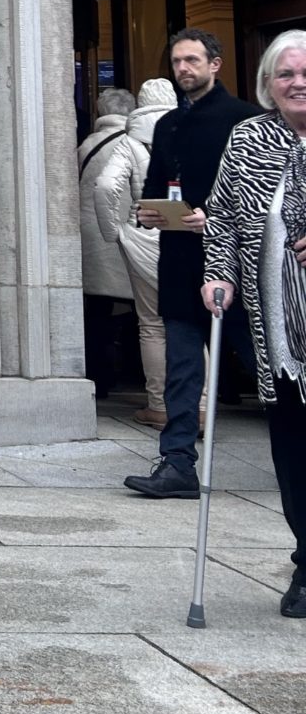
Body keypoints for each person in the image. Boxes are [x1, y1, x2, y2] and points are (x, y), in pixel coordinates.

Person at [123, 29, 255, 500]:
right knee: (182, 369)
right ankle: (177, 462)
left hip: (237, 267)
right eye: (177, 61)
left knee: (266, 363)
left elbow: (261, 200)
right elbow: (158, 185)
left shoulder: (246, 121)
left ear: (215, 64)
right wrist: (151, 211)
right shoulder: (166, 125)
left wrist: (214, 219)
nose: (183, 69)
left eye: (192, 60)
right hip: (180, 261)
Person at [203, 30, 306, 618]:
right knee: (293, 448)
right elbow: (221, 216)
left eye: (305, 73)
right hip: (279, 330)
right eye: (285, 74)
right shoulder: (249, 138)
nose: (297, 83)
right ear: (268, 84)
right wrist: (218, 274)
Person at [94, 78, 177, 428]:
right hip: (186, 232)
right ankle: (200, 404)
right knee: (189, 324)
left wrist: (112, 231)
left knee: (152, 325)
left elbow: (106, 185)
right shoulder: (187, 131)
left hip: (143, 234)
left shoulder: (130, 141)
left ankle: (158, 405)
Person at [77, 88, 136, 396]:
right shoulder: (136, 143)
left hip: (93, 237)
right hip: (129, 235)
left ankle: (100, 377)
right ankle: (139, 375)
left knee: (97, 313)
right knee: (145, 313)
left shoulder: (87, 145)